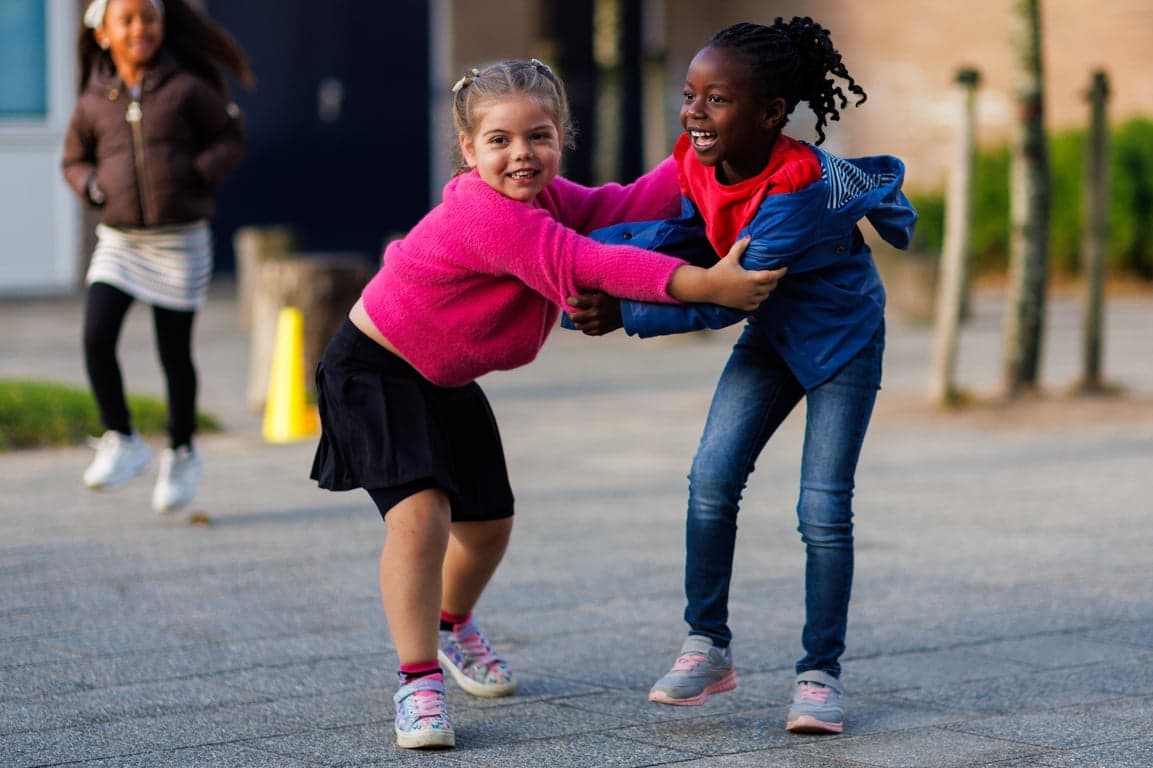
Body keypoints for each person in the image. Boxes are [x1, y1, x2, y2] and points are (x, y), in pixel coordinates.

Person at [308, 58, 784, 751]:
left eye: (538, 136)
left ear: (562, 138)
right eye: (499, 140)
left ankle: (449, 626)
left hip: (443, 375)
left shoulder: (551, 200)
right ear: (468, 151)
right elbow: (592, 262)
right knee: (421, 518)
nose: (521, 154)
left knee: (490, 524)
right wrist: (705, 284)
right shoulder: (484, 212)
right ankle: (416, 682)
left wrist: (700, 137)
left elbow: (623, 204)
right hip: (374, 369)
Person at [565, 18, 917, 734]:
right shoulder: (699, 157)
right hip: (775, 333)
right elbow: (685, 234)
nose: (693, 112)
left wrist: (623, 313)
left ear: (769, 115)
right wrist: (584, 255)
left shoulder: (797, 189)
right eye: (689, 94)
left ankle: (819, 675)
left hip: (840, 340)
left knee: (821, 509)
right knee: (711, 476)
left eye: (715, 100)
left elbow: (729, 297)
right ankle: (706, 646)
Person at [62, 0, 251, 513]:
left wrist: (201, 172)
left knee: (174, 355)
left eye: (149, 16)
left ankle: (183, 451)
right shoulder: (91, 102)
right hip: (120, 243)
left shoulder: (187, 88)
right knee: (96, 336)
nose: (140, 27)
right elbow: (74, 159)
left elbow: (230, 136)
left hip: (180, 241)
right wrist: (93, 185)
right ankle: (122, 438)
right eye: (127, 19)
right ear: (103, 33)